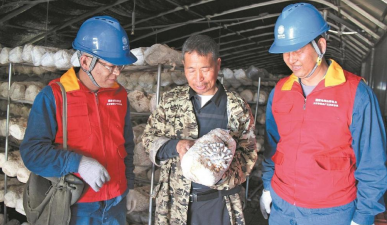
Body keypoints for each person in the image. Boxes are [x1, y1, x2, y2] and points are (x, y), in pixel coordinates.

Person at [260, 3, 387, 225]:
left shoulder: (356, 93)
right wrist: (268, 186)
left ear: (321, 45)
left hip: (332, 212)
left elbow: (372, 163)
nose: (291, 59)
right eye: (285, 52)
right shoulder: (280, 91)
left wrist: (364, 215)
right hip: (282, 207)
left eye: (298, 50)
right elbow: (272, 146)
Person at [20, 15, 138, 224]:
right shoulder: (55, 96)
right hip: (76, 205)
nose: (117, 73)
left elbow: (127, 145)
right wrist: (78, 163)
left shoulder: (119, 96)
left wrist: (128, 185)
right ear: (85, 61)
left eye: (121, 66)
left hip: (115, 204)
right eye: (111, 66)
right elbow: (32, 153)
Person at [142, 34, 257, 225]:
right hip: (175, 203)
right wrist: (176, 146)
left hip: (218, 204)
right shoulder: (171, 101)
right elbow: (148, 139)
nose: (198, 78)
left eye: (205, 69)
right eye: (191, 70)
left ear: (217, 65)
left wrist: (217, 174)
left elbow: (248, 156)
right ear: (183, 66)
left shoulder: (236, 107)